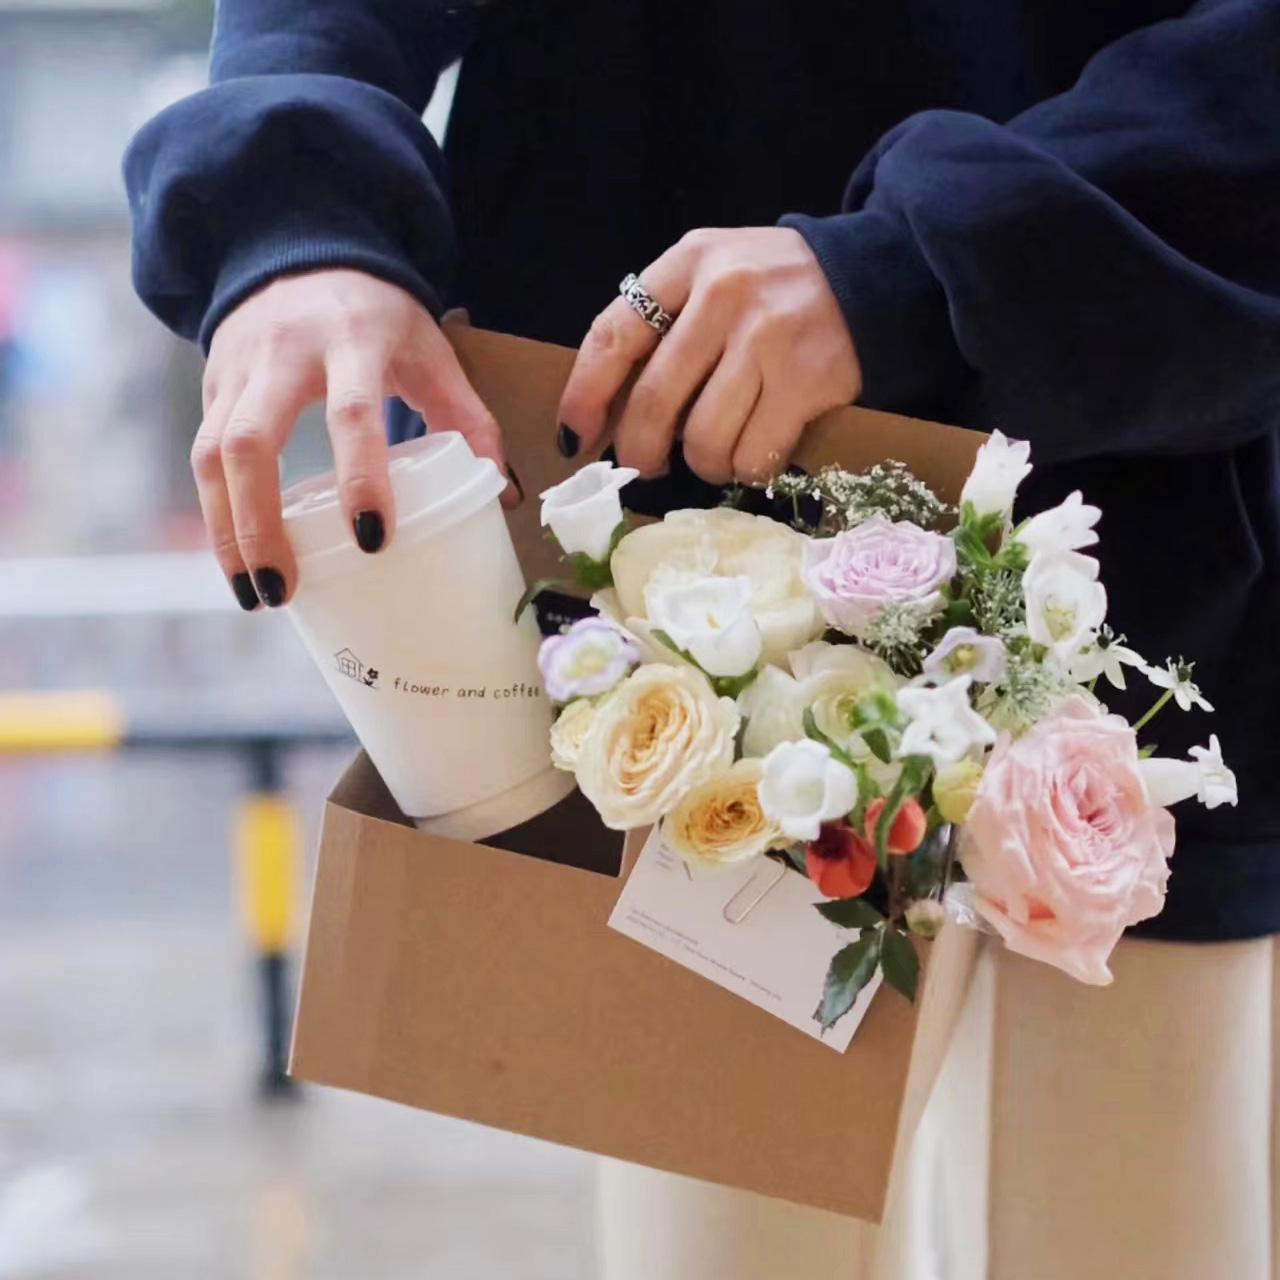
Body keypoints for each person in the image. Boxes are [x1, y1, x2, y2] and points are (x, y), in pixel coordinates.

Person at [124, 1, 1280, 1276]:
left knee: (1125, 1225)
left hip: (1144, 545)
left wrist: (924, 254)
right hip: (687, 604)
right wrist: (302, 214)